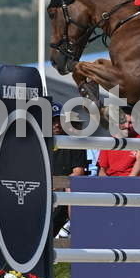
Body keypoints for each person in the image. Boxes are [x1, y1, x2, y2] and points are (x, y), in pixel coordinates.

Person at [50, 101, 89, 238]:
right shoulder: (37, 143)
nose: (57, 124)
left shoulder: (75, 142)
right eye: (52, 120)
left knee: (71, 187)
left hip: (62, 189)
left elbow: (78, 172)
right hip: (42, 187)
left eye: (59, 120)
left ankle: (73, 228)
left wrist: (56, 184)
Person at [97, 111, 140, 176]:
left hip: (133, 179)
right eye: (123, 122)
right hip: (111, 179)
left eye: (131, 123)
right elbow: (102, 169)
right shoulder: (109, 141)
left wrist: (126, 181)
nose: (127, 126)